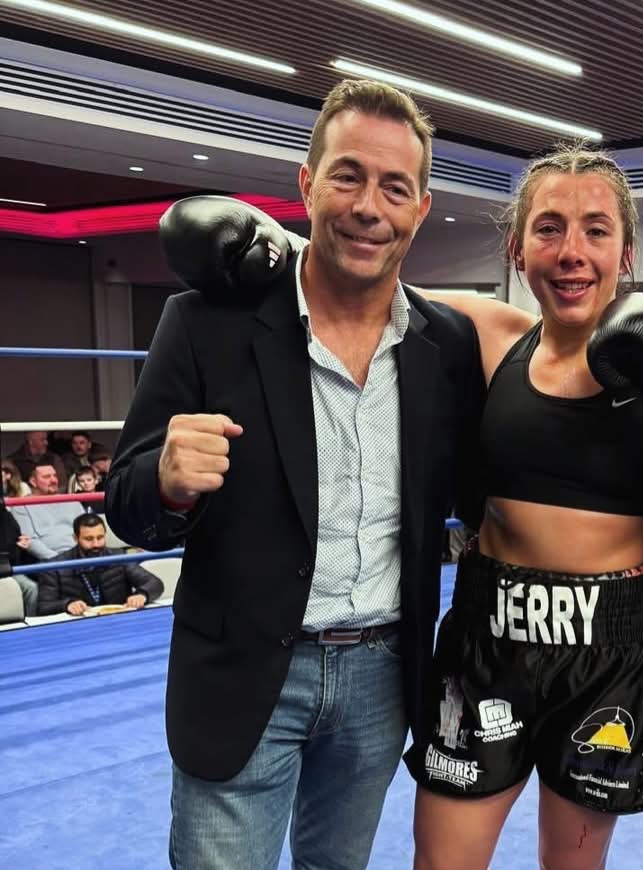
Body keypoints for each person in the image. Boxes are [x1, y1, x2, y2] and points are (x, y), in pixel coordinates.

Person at [156, 143, 643, 870]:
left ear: (625, 253)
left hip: (610, 650)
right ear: (516, 248)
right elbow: (371, 281)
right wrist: (274, 247)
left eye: (595, 230)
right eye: (548, 228)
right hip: (487, 640)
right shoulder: (487, 336)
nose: (571, 252)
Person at [105, 79, 484, 870]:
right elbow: (126, 503)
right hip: (244, 673)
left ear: (420, 208)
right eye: (348, 176)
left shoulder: (445, 345)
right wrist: (167, 479)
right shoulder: (205, 323)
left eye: (394, 188)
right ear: (307, 184)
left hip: (382, 673)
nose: (368, 207)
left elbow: (480, 489)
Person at [35, 513, 163, 616]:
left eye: (100, 537)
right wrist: (67, 604)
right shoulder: (55, 566)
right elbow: (44, 607)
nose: (96, 544)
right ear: (75, 538)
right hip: (77, 625)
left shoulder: (118, 557)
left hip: (118, 620)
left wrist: (142, 595)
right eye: (89, 539)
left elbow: (155, 583)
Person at [10, 460, 86, 560]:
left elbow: (87, 530)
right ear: (33, 481)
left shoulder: (72, 501)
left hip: (81, 556)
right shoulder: (21, 506)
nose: (53, 480)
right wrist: (58, 560)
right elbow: (29, 540)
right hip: (48, 561)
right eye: (47, 477)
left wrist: (82, 555)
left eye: (55, 476)